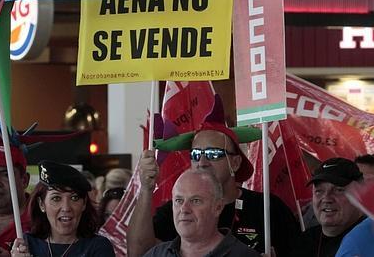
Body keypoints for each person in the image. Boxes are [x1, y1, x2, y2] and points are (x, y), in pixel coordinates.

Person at [127, 95, 299, 256]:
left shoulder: (268, 208)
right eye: (195, 154)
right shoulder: (180, 209)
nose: (202, 162)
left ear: (236, 162)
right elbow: (138, 252)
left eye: (213, 153)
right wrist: (146, 189)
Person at [143, 169, 259, 257]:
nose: (184, 209)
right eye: (179, 200)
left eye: (195, 201)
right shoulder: (156, 254)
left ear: (218, 207)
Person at [10, 160, 115, 257]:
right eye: (56, 198)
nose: (66, 208)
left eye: (74, 198)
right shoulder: (27, 244)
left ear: (84, 204)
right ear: (42, 204)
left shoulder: (98, 247)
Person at [290, 157, 365, 257]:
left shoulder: (368, 240)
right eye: (319, 191)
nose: (326, 198)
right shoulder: (305, 241)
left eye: (338, 190)